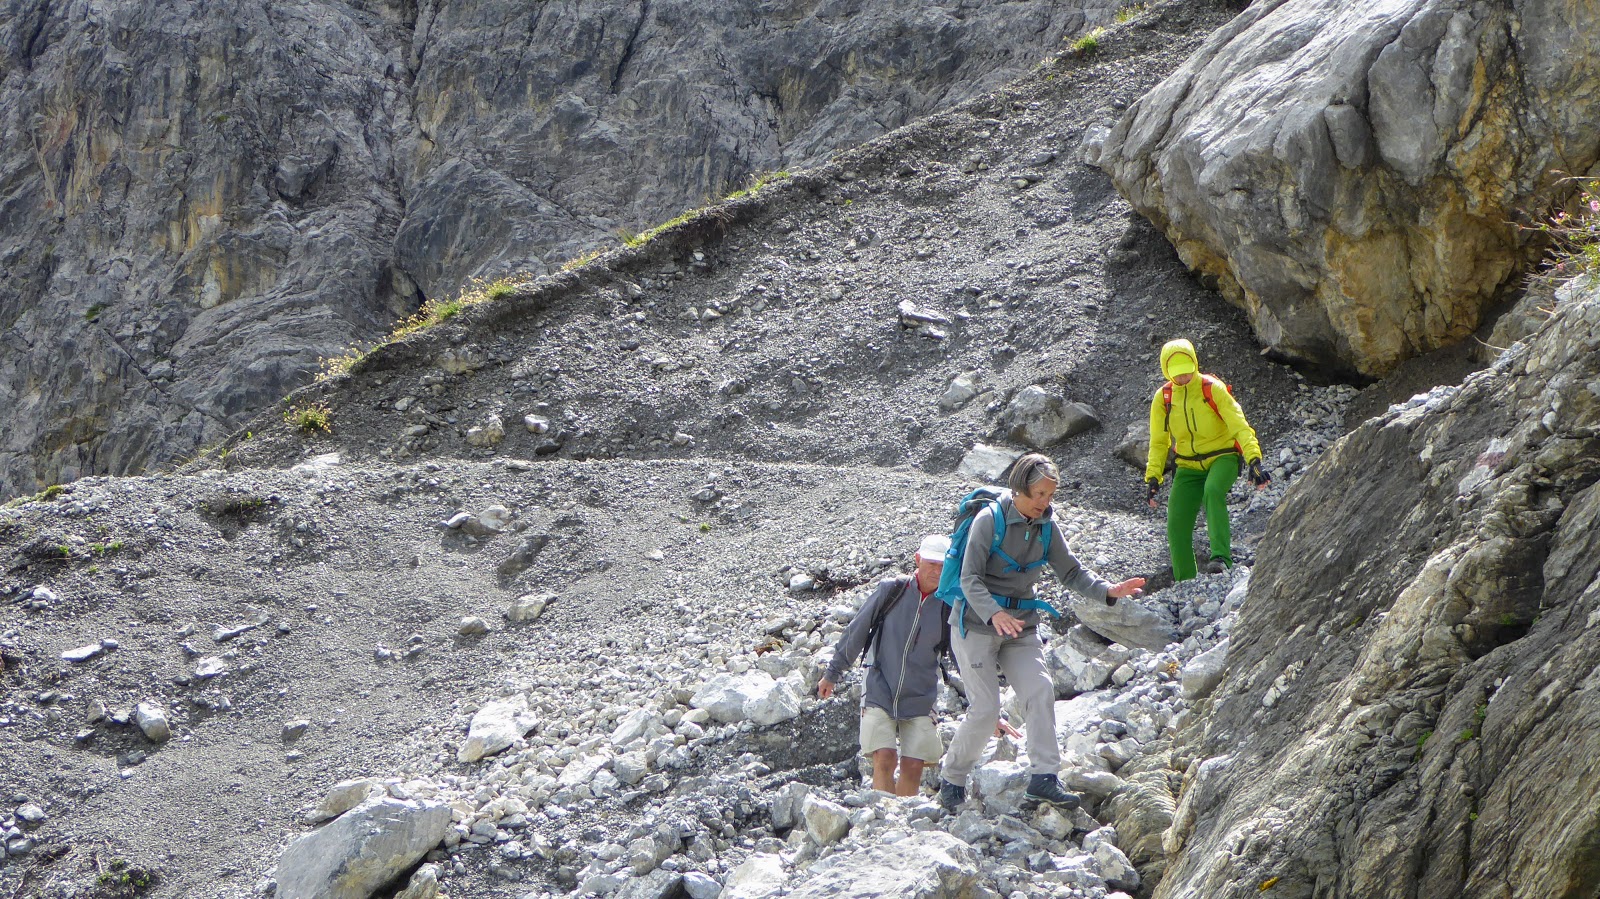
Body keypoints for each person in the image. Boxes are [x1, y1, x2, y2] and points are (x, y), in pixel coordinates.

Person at [936, 454, 1146, 812]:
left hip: (1020, 626)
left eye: (1050, 495)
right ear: (1019, 489)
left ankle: (1044, 779)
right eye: (1039, 494)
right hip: (974, 625)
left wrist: (1108, 591)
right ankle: (952, 778)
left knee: (1040, 690)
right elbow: (969, 578)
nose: (1045, 502)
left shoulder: (1047, 526)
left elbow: (1071, 572)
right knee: (986, 710)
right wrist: (994, 613)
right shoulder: (988, 521)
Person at [818, 534, 956, 796]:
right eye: (931, 564)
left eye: (943, 565)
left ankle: (901, 816)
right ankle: (883, 814)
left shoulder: (949, 605)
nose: (937, 572)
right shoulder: (891, 590)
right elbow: (856, 631)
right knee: (884, 757)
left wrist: (984, 706)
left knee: (914, 765)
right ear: (917, 560)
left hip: (921, 694)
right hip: (879, 686)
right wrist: (832, 673)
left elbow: (962, 656)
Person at [1143, 338, 1270, 581]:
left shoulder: (1212, 388)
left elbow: (1239, 425)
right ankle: (1185, 581)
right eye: (1177, 374)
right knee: (1176, 521)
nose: (1183, 378)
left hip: (1223, 457)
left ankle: (1221, 559)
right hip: (1187, 465)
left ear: (1195, 364)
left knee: (1212, 490)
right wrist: (1153, 477)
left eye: (1187, 371)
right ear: (1167, 372)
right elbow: (1159, 442)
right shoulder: (1164, 398)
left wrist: (1253, 459)